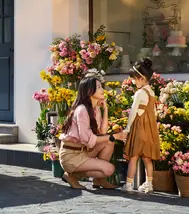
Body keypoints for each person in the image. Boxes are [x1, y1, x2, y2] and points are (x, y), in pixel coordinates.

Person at [59, 71, 128, 190]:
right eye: (98, 87)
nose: (102, 90)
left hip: (84, 150)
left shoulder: (95, 109)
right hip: (71, 155)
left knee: (108, 142)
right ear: (89, 91)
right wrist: (115, 136)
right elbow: (86, 139)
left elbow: (102, 132)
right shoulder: (82, 110)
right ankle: (71, 175)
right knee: (109, 169)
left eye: (101, 86)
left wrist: (105, 109)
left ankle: (99, 180)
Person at [122, 58, 161, 193]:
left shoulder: (139, 93)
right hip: (150, 129)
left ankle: (128, 184)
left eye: (134, 79)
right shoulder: (151, 92)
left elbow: (133, 112)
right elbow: (153, 112)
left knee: (133, 157)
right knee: (147, 158)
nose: (133, 82)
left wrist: (128, 127)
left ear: (141, 78)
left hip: (139, 129)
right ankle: (149, 184)